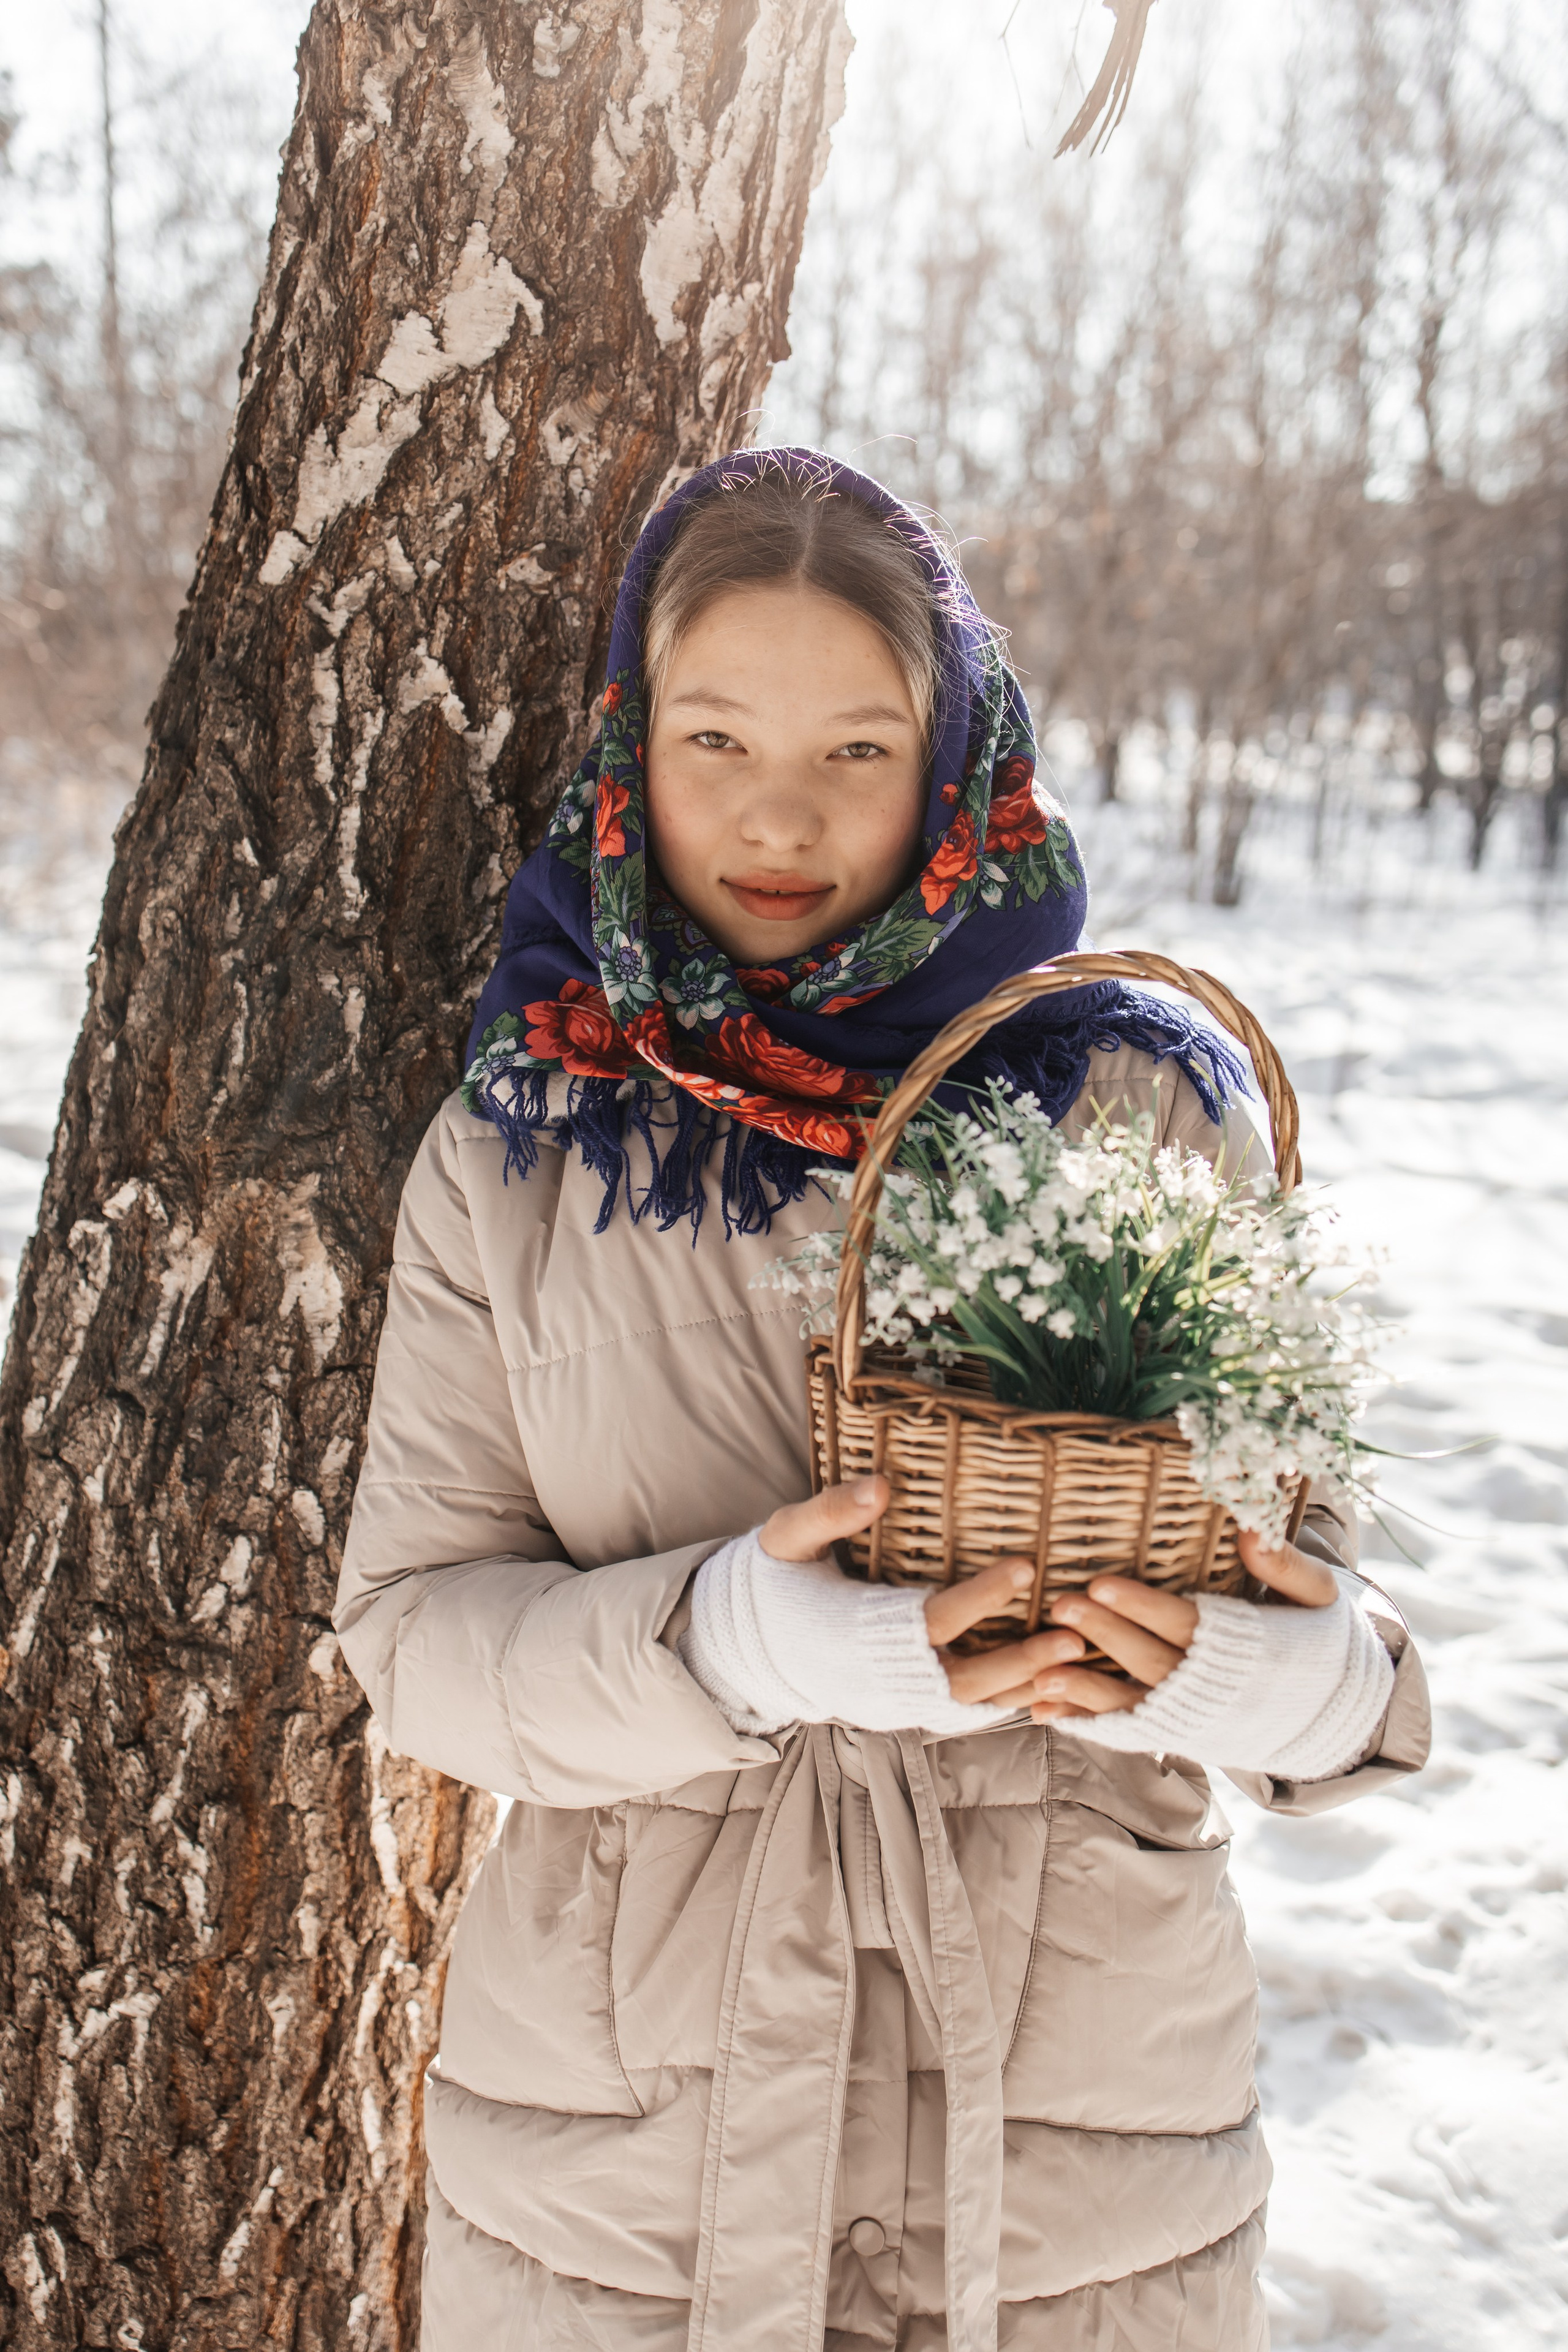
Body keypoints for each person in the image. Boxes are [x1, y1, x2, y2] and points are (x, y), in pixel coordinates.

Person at [335, 447, 1430, 2352]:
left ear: (954, 761)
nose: (781, 815)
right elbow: (415, 1638)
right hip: (624, 2154)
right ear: (630, 741)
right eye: (714, 737)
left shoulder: (1131, 1108)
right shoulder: (520, 1148)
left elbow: (1328, 1604)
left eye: (856, 750)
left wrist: (1275, 1681)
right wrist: (730, 1649)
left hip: (1072, 2123)